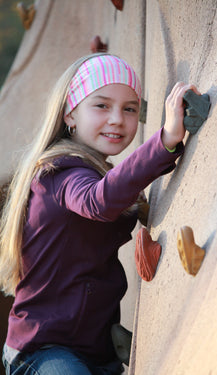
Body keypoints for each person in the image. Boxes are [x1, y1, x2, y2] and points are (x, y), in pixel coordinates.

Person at [0, 53, 199, 375]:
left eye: (129, 108)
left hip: (95, 349)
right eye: (102, 105)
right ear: (70, 113)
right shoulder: (59, 173)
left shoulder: (93, 171)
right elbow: (98, 201)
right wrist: (165, 141)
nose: (117, 119)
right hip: (44, 350)